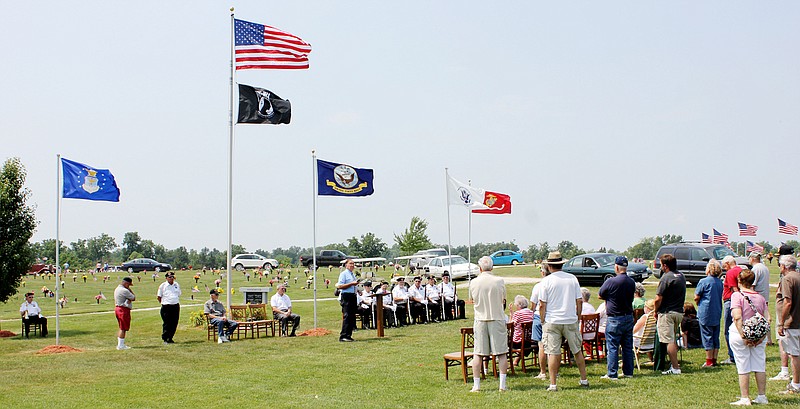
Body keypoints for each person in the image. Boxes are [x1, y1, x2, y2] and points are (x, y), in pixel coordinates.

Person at [539, 251, 589, 391]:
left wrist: (542, 319)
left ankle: (553, 384)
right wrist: (578, 316)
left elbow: (542, 304)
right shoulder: (572, 278)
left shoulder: (546, 281)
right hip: (570, 319)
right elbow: (579, 301)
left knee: (553, 352)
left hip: (552, 320)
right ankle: (584, 379)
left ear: (549, 266)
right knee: (577, 350)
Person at [728, 269, 768, 405]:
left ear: (739, 281)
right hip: (758, 335)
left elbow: (737, 316)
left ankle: (745, 397)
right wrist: (761, 337)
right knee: (759, 365)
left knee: (743, 365)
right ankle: (762, 395)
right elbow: (768, 318)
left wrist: (743, 335)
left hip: (740, 333)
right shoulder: (761, 298)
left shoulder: (737, 296)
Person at [469, 256, 508, 393]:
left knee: (478, 353)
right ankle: (502, 385)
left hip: (480, 319)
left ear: (480, 268)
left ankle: (476, 385)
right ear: (492, 267)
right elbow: (503, 299)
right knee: (502, 352)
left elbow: (472, 299)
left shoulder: (473, 282)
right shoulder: (499, 281)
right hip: (496, 317)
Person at [597, 255, 636, 380]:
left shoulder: (611, 281)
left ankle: (612, 373)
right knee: (627, 346)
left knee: (612, 347)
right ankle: (628, 372)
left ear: (616, 267)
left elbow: (600, 295)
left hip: (615, 317)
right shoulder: (631, 282)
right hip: (628, 316)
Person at [654, 253, 686, 375]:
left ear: (665, 266)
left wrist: (656, 310)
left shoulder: (666, 278)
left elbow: (658, 299)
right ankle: (674, 364)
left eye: (661, 265)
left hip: (667, 313)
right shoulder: (681, 276)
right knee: (672, 338)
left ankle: (675, 367)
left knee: (669, 341)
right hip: (678, 312)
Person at [776, 254, 800, 395]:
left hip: (793, 322)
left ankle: (796, 384)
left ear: (784, 266)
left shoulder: (787, 279)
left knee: (794, 355)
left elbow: (788, 302)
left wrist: (781, 323)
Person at [772, 244, 795, 382]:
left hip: (787, 315)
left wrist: (781, 322)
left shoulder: (787, 276)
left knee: (785, 343)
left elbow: (787, 300)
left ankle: (784, 371)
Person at [694, 259, 723, 367]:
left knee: (707, 335)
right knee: (715, 336)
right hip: (717, 310)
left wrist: (697, 302)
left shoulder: (704, 281)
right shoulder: (720, 282)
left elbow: (697, 296)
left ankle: (709, 361)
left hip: (706, 311)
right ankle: (714, 359)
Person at [722, 255, 743, 364]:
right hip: (742, 302)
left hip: (731, 302)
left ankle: (732, 356)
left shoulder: (730, 273)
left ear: (728, 263)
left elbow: (734, 289)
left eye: (724, 266)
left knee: (728, 330)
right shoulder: (741, 270)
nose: (724, 268)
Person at [530, 265, 549, 379]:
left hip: (539, 316)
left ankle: (543, 372)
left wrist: (532, 313)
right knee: (552, 346)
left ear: (542, 272)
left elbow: (533, 303)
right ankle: (554, 370)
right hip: (552, 316)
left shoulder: (538, 286)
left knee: (541, 345)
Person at [750, 252, 772, 345]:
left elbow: (753, 284)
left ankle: (760, 337)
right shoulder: (764, 267)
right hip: (765, 296)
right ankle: (769, 339)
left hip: (758, 296)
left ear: (753, 258)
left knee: (757, 319)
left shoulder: (756, 269)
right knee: (765, 318)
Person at [336, 259, 359, 342]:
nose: (352, 265)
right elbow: (340, 286)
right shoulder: (344, 274)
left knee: (352, 316)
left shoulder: (352, 274)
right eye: (350, 264)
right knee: (347, 316)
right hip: (346, 296)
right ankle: (343, 335)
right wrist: (351, 284)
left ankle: (349, 335)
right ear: (346, 265)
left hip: (353, 295)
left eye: (353, 264)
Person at [509, 295, 534, 368]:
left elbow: (511, 325)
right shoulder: (531, 312)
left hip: (518, 342)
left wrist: (511, 315)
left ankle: (508, 362)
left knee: (506, 342)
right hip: (528, 340)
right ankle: (515, 362)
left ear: (518, 305)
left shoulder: (518, 314)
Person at [157, 272, 181, 344]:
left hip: (175, 306)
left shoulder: (176, 285)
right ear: (166, 278)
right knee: (167, 323)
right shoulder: (163, 285)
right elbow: (159, 296)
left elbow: (179, 294)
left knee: (174, 323)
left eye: (172, 277)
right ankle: (165, 338)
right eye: (170, 277)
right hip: (166, 306)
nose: (171, 278)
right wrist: (164, 303)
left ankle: (170, 338)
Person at [114, 277, 136, 350]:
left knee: (121, 327)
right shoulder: (124, 290)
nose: (129, 287)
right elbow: (133, 297)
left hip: (118, 308)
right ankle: (120, 345)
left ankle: (120, 344)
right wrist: (129, 290)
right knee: (123, 328)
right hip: (123, 309)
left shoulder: (117, 288)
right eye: (129, 285)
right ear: (126, 283)